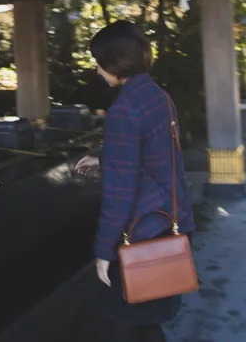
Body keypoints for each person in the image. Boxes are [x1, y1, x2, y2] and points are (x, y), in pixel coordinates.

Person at [74, 21, 195, 342]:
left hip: (142, 234)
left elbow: (120, 194)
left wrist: (103, 251)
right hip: (171, 222)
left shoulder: (123, 110)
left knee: (128, 325)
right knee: (149, 322)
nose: (98, 70)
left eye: (100, 63)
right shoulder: (159, 96)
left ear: (115, 62)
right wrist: (105, 158)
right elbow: (156, 155)